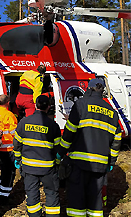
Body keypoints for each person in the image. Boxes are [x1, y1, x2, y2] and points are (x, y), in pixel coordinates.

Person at [56, 78, 122, 217]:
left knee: (76, 202)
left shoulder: (80, 104)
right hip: (100, 166)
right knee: (95, 203)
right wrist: (111, 162)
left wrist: (60, 153)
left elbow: (69, 133)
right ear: (102, 91)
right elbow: (116, 141)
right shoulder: (113, 113)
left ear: (89, 88)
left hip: (79, 163)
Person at [13, 95, 61, 216]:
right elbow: (57, 149)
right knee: (51, 194)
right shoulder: (53, 125)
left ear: (35, 105)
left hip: (29, 167)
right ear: (49, 107)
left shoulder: (24, 122)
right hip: (48, 168)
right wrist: (58, 164)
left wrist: (18, 160)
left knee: (32, 195)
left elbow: (17, 144)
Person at [0, 94, 18, 205]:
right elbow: (15, 134)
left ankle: (2, 193)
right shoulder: (10, 115)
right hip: (8, 149)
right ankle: (4, 197)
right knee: (9, 173)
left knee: (4, 172)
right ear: (8, 102)